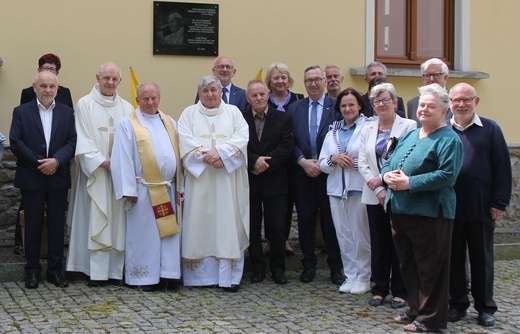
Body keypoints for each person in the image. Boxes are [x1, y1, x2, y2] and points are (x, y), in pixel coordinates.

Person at [382, 83, 463, 332]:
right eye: (422, 105)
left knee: (431, 269)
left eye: (431, 106)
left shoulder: (449, 139)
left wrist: (410, 183)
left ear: (444, 111)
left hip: (430, 213)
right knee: (408, 265)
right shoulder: (410, 134)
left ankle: (431, 319)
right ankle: (415, 308)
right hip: (401, 210)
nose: (424, 110)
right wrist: (386, 177)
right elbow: (389, 161)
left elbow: (447, 175)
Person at [447, 83, 512, 327]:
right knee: (453, 259)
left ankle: (485, 307)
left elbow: (503, 168)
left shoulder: (491, 129)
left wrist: (499, 202)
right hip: (450, 207)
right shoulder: (443, 128)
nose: (461, 104)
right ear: (450, 102)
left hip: (482, 206)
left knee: (481, 259)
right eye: (456, 100)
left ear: (476, 101)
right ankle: (457, 304)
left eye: (466, 99)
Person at [179, 75, 249, 292]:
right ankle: (199, 278)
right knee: (199, 223)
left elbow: (242, 138)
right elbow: (184, 139)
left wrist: (221, 155)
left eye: (213, 90)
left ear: (221, 92)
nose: (209, 94)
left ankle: (228, 277)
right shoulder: (188, 114)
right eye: (205, 91)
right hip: (199, 181)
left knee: (227, 222)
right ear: (199, 93)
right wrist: (209, 157)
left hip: (227, 181)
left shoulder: (234, 113)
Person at [66, 62, 134, 286]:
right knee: (93, 218)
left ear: (120, 81)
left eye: (114, 79)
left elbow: (133, 142)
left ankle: (115, 271)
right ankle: (90, 270)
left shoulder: (127, 108)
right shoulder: (85, 104)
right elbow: (81, 138)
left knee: (117, 222)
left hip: (117, 177)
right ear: (97, 77)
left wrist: (121, 165)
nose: (110, 83)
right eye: (106, 78)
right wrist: (101, 161)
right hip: (94, 174)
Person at [111, 81, 182, 291]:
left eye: (154, 98)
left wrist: (180, 186)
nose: (150, 102)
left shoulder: (170, 122)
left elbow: (178, 155)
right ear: (137, 100)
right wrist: (128, 189)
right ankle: (143, 277)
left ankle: (168, 275)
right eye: (145, 99)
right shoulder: (128, 124)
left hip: (168, 189)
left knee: (169, 235)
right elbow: (121, 157)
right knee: (145, 237)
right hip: (143, 191)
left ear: (159, 98)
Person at [9, 71, 76, 289]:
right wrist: (41, 163)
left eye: (51, 86)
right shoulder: (21, 112)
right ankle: (32, 272)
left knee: (57, 226)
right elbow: (16, 142)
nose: (47, 90)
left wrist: (56, 161)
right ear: (35, 87)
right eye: (43, 86)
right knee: (33, 225)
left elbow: (73, 141)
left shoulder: (67, 112)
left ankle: (55, 272)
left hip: (58, 176)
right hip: (32, 175)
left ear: (58, 88)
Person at [358, 83, 416, 306]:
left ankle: (401, 291)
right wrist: (379, 188)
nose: (381, 104)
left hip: (399, 193)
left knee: (399, 242)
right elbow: (363, 162)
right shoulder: (367, 129)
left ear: (395, 102)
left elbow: (407, 159)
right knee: (379, 242)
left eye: (385, 100)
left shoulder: (409, 127)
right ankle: (379, 288)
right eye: (376, 101)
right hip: (374, 194)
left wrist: (385, 182)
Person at [287, 65, 344, 285]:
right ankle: (308, 265)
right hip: (303, 173)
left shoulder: (335, 106)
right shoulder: (295, 108)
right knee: (305, 221)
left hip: (329, 173)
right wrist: (301, 161)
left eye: (316, 79)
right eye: (308, 80)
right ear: (304, 83)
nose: (312, 84)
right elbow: (289, 139)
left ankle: (336, 268)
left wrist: (322, 163)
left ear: (324, 81)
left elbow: (341, 137)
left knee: (331, 221)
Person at [318, 88, 373, 294]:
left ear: (359, 105)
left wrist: (353, 162)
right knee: (344, 235)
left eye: (351, 104)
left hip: (359, 188)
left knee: (361, 236)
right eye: (343, 105)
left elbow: (374, 159)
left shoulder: (369, 127)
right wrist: (334, 159)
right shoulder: (333, 131)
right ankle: (350, 276)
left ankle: (364, 277)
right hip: (336, 190)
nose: (347, 108)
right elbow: (323, 163)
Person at [243, 80, 294, 285]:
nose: (259, 98)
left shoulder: (283, 118)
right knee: (253, 228)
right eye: (254, 95)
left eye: (262, 94)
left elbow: (287, 146)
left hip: (275, 181)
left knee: (277, 228)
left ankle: (278, 269)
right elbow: (236, 146)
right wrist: (253, 161)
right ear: (248, 98)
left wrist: (265, 163)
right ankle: (257, 268)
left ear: (268, 95)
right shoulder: (241, 119)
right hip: (251, 180)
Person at [264, 62, 303, 254]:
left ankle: (284, 239)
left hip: (293, 162)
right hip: (270, 162)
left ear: (289, 80)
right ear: (269, 82)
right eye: (275, 77)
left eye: (283, 77)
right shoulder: (264, 100)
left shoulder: (298, 100)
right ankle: (271, 240)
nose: (280, 81)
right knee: (272, 205)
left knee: (288, 202)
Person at [407, 58, 452, 125]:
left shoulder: (455, 100)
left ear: (445, 77)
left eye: (436, 75)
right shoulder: (413, 104)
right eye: (427, 75)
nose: (431, 79)